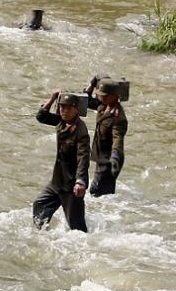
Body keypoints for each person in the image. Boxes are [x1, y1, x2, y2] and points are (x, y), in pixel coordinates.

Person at [32, 90, 91, 232]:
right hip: (57, 182)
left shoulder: (80, 131)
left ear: (76, 109)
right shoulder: (61, 121)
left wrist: (80, 181)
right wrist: (52, 98)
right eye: (61, 107)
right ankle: (41, 235)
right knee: (39, 205)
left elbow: (84, 156)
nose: (64, 111)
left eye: (68, 108)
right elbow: (41, 116)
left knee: (77, 229)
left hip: (71, 187)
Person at [84, 76, 128, 197]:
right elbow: (87, 101)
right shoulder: (103, 106)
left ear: (114, 96)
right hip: (101, 155)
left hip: (110, 160)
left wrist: (115, 156)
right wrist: (92, 84)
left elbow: (117, 138)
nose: (100, 96)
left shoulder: (118, 117)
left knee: (96, 191)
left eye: (104, 95)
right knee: (102, 193)